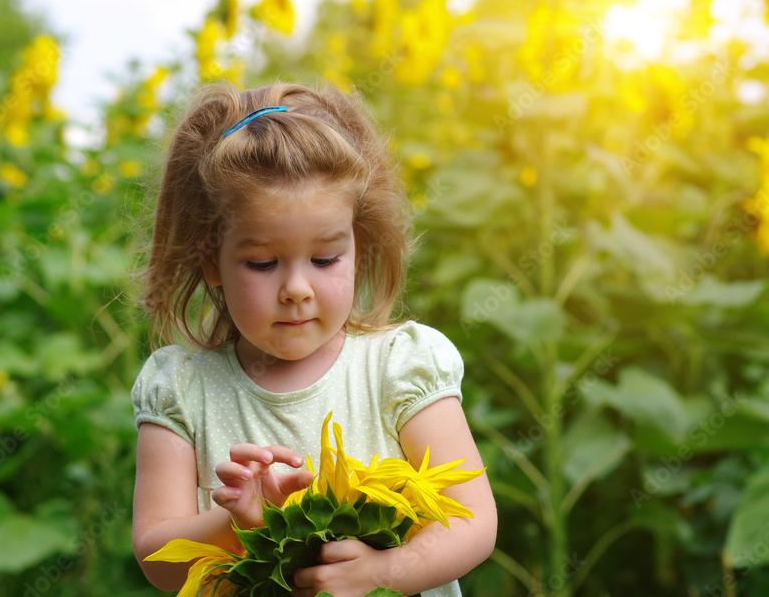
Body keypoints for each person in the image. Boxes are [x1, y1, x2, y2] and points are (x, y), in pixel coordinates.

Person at [131, 81, 496, 597]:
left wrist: (384, 573)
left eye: (325, 259)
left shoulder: (398, 366)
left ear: (358, 245)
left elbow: (473, 518)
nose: (297, 289)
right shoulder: (182, 388)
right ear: (211, 260)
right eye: (262, 263)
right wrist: (241, 522)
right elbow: (156, 555)